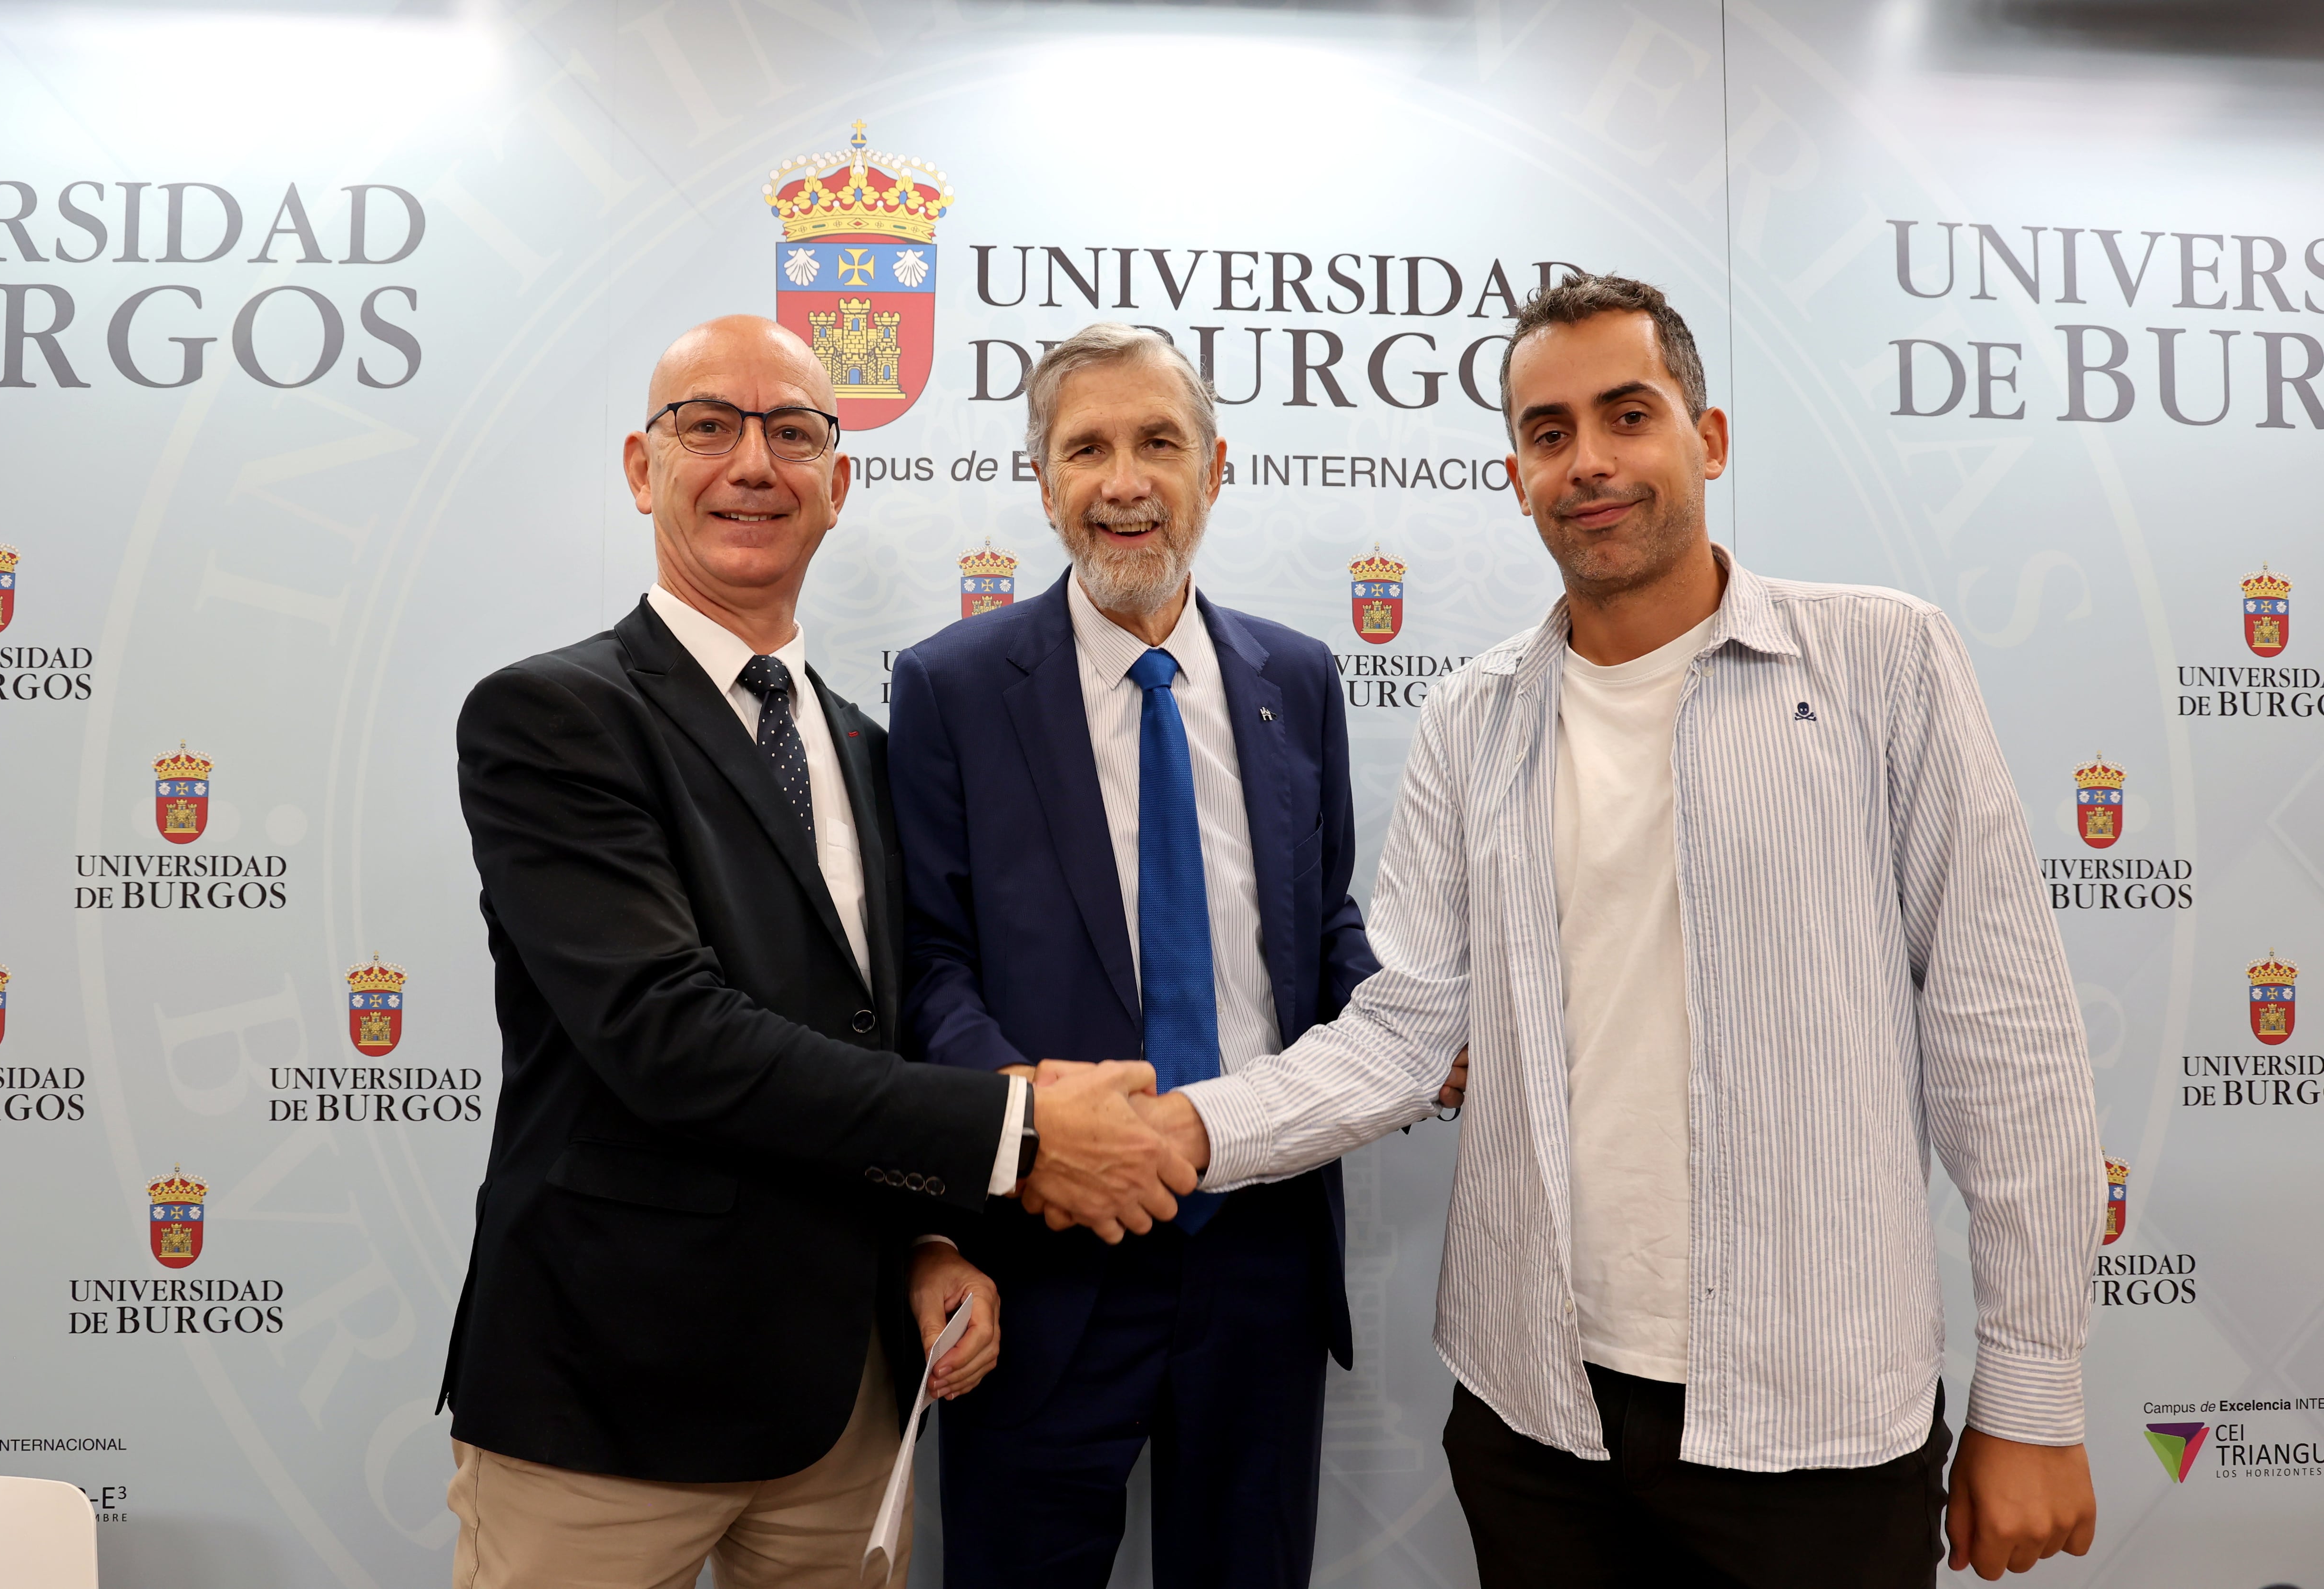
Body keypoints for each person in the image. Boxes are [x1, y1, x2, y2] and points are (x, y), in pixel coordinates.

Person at [1136, 276, 2105, 1586]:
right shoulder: (1473, 718)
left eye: (1627, 415)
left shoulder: (1886, 663)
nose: (1588, 461)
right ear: (1517, 473)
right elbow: (1407, 1028)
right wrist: (1182, 1132)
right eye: (1548, 433)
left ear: (1706, 440)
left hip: (1816, 1427)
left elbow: (2009, 1044)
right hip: (1538, 1422)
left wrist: (2033, 1400)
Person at [436, 315, 1196, 1589]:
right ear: (642, 467)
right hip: (609, 1408)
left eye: (793, 433)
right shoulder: (551, 717)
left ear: (838, 487)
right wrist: (1018, 1134)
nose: (754, 463)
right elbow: (669, 1039)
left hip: (844, 1417)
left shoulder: (866, 747)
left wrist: (930, 1245)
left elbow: (868, 1044)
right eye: (710, 426)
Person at [886, 323, 1385, 1589]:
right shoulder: (951, 688)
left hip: (1259, 1248)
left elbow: (1316, 927)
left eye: (1159, 442)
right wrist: (1042, 1140)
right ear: (1046, 482)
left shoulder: (1301, 678)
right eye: (1087, 449)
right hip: (1046, 1258)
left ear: (1216, 468)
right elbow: (930, 968)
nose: (1124, 481)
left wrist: (1414, 1029)